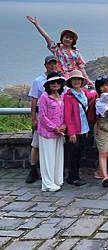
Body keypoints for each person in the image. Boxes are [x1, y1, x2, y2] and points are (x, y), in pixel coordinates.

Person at [26, 55, 60, 184]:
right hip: (42, 118)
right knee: (36, 145)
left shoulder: (59, 80)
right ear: (45, 65)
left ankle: (53, 171)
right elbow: (34, 102)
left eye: (54, 63)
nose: (52, 66)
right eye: (50, 63)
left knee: (55, 146)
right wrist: (34, 119)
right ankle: (33, 170)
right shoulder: (38, 81)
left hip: (55, 120)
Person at [26, 16, 88, 80]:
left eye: (70, 38)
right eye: (66, 37)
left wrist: (87, 79)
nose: (68, 40)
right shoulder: (57, 49)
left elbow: (81, 67)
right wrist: (36, 24)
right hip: (60, 75)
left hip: (74, 76)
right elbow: (46, 37)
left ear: (73, 41)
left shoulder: (76, 52)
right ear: (62, 38)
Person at [63, 70, 96, 186]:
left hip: (84, 128)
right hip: (74, 130)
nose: (77, 81)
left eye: (79, 79)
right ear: (70, 81)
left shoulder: (83, 93)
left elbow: (94, 95)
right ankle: (72, 177)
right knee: (73, 154)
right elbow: (67, 116)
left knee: (79, 153)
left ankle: (76, 176)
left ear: (82, 81)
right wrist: (71, 133)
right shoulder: (68, 96)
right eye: (74, 79)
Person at [37, 72, 67, 192]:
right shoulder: (44, 97)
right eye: (52, 82)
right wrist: (54, 128)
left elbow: (63, 114)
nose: (55, 84)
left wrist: (64, 125)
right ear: (48, 84)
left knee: (58, 157)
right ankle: (48, 183)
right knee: (48, 158)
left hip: (59, 133)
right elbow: (42, 116)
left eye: (58, 82)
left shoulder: (62, 96)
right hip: (47, 133)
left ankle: (57, 179)